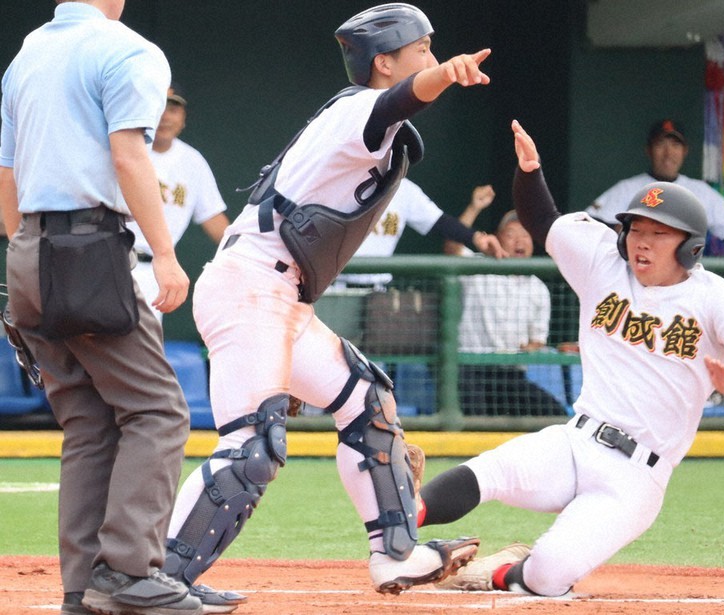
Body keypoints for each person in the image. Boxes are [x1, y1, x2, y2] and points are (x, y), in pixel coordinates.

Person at [158, 4, 487, 612]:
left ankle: (395, 552)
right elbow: (397, 101)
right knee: (251, 448)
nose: (432, 58)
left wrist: (436, 73)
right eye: (423, 49)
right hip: (250, 286)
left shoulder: (369, 122)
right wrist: (449, 74)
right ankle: (159, 579)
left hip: (281, 298)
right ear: (385, 62)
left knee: (369, 404)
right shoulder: (362, 107)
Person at [411, 120, 724, 596]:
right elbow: (543, 220)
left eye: (660, 233)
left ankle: (507, 569)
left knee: (546, 576)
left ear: (691, 248)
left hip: (634, 478)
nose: (642, 241)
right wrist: (529, 172)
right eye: (636, 229)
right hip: (576, 440)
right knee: (492, 471)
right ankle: (400, 522)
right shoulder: (605, 260)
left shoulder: (718, 299)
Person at [0, 2, 200, 615]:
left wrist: (27, 251)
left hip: (29, 251)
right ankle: (130, 571)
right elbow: (129, 153)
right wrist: (163, 254)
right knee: (158, 411)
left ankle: (82, 589)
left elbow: (5, 172)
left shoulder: (27, 54)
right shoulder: (126, 46)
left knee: (88, 424)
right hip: (89, 247)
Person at [586, 119, 724, 256]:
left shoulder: (699, 191)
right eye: (660, 144)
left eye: (675, 145)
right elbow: (591, 225)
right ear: (648, 150)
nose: (668, 153)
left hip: (684, 280)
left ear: (684, 151)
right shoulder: (627, 189)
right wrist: (621, 231)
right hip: (637, 278)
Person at [128, 84, 230, 322]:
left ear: (183, 119)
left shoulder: (192, 162)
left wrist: (250, 256)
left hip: (155, 271)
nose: (165, 116)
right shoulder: (126, 150)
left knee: (144, 355)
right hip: (111, 261)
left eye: (173, 109)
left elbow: (215, 221)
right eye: (159, 106)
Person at [456, 210, 567, 416]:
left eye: (525, 235)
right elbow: (452, 247)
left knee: (555, 413)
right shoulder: (478, 266)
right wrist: (474, 208)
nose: (519, 241)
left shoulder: (538, 288)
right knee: (476, 422)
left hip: (510, 374)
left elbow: (537, 341)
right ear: (497, 239)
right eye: (511, 235)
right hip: (469, 369)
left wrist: (528, 349)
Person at [333, 178, 505, 289]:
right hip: (335, 289)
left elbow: (439, 222)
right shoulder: (337, 181)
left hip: (377, 290)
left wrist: (476, 237)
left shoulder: (403, 189)